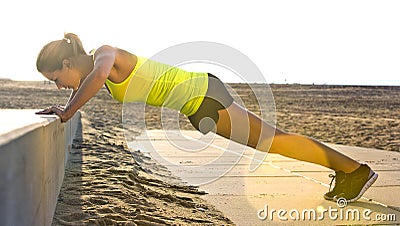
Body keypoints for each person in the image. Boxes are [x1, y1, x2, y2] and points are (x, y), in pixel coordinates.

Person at [36, 33, 378, 203]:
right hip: (198, 105)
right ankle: (348, 172)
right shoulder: (98, 65)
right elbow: (90, 82)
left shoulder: (105, 54)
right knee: (274, 141)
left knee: (276, 141)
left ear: (66, 63)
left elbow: (96, 77)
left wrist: (67, 111)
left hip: (204, 95)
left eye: (55, 79)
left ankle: (354, 171)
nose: (58, 86)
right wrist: (66, 106)